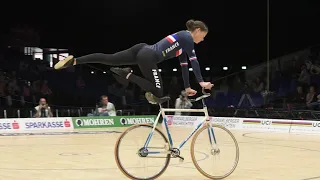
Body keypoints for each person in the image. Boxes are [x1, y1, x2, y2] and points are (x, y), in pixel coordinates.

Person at [54, 19, 213, 103]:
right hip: (148, 56)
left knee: (109, 58)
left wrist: (187, 87)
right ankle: (126, 74)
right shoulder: (187, 37)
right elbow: (195, 62)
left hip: (142, 49)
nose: (202, 40)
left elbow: (185, 66)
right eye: (203, 36)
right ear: (197, 30)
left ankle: (75, 61)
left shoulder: (183, 42)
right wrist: (201, 83)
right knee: (158, 92)